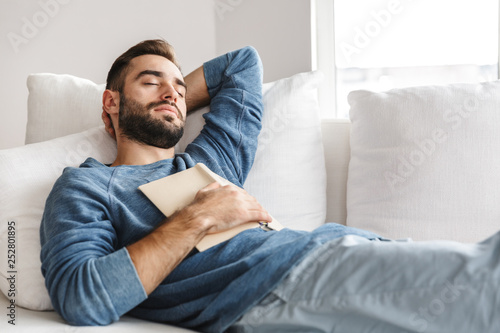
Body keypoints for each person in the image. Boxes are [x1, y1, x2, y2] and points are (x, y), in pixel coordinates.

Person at [40, 39, 500, 333]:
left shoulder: (209, 160)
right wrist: (200, 216)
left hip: (339, 254)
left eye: (180, 88)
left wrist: (170, 97)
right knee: (486, 281)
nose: (172, 93)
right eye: (150, 81)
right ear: (111, 102)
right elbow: (82, 296)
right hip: (283, 283)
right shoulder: (87, 187)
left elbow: (241, 64)